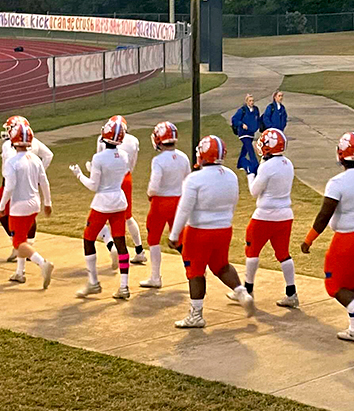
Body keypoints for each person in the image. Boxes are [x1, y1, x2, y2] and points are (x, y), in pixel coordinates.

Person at [300, 132, 354, 346]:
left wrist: (309, 239)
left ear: (341, 153)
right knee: (352, 282)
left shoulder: (337, 182)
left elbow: (324, 215)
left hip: (347, 238)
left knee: (334, 285)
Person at [171, 134, 244, 328]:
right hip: (224, 228)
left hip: (199, 230)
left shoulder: (195, 179)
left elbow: (184, 209)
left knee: (195, 271)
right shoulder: (231, 175)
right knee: (221, 265)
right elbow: (234, 201)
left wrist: (173, 234)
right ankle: (241, 292)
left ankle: (196, 315)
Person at [70, 117, 132, 298]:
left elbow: (93, 186)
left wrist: (79, 175)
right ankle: (124, 286)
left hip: (103, 202)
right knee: (121, 243)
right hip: (118, 201)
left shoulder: (99, 157)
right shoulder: (124, 156)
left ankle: (93, 282)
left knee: (88, 239)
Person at [239, 127, 296, 309]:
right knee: (283, 254)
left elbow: (254, 191)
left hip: (265, 214)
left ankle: (247, 290)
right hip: (285, 215)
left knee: (252, 250)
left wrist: (250, 173)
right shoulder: (288, 163)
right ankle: (291, 292)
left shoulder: (267, 166)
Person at [0, 119, 54, 288]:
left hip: (19, 205)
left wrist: (1, 207)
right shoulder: (36, 159)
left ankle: (42, 263)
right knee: (22, 237)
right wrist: (48, 203)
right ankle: (20, 272)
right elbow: (44, 182)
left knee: (18, 244)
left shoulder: (12, 162)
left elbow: (9, 187)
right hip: (34, 203)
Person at [139, 121, 189, 289]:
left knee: (153, 239)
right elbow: (188, 180)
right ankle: (194, 270)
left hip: (161, 202)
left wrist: (150, 194)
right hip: (179, 201)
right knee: (180, 239)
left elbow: (154, 185)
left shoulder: (158, 160)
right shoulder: (183, 157)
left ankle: (155, 277)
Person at [95, 117, 145, 264]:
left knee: (100, 216)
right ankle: (139, 249)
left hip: (109, 179)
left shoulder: (102, 139)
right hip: (125, 176)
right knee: (127, 216)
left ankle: (112, 247)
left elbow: (99, 158)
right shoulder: (133, 140)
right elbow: (133, 163)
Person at [231, 94, 263, 174]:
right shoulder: (242, 110)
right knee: (250, 149)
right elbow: (234, 119)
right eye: (250, 101)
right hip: (243, 133)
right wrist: (242, 124)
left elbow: (257, 119)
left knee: (244, 149)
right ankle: (256, 165)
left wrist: (258, 127)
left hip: (251, 133)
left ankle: (239, 164)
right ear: (246, 102)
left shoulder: (256, 109)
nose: (251, 102)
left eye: (252, 101)